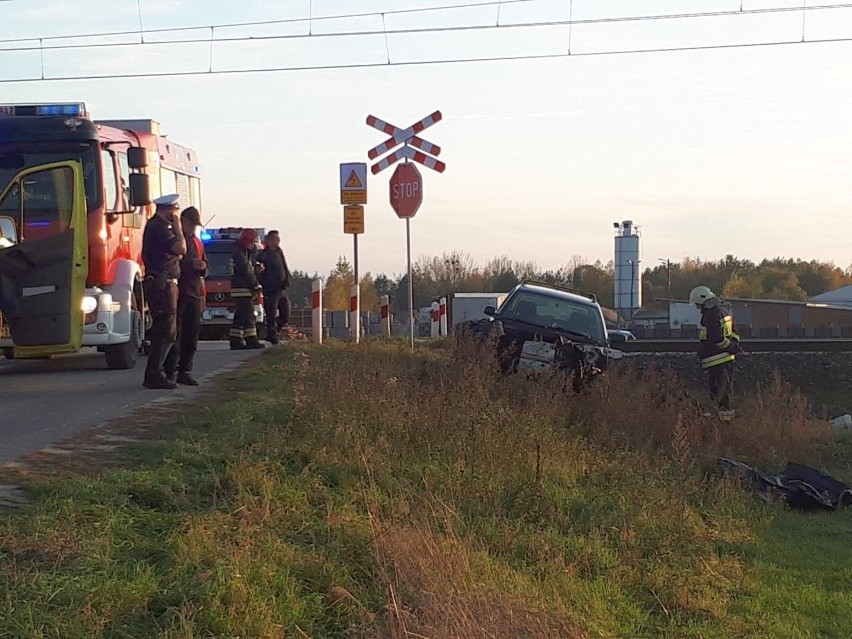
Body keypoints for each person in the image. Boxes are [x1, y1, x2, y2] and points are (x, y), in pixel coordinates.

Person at [141, 194, 186, 389]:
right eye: (175, 212)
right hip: (162, 284)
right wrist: (179, 230)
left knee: (169, 330)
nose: (175, 216)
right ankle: (153, 375)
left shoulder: (157, 227)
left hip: (166, 282)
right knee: (164, 330)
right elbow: (181, 248)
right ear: (169, 210)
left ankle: (157, 373)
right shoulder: (159, 228)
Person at [163, 206, 207, 386]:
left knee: (191, 335)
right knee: (175, 334)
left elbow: (206, 263)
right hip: (179, 291)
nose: (193, 228)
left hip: (195, 292)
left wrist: (203, 267)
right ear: (183, 222)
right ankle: (170, 370)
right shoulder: (174, 239)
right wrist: (191, 264)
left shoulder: (197, 242)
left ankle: (185, 370)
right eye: (191, 224)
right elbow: (173, 264)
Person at [690, 285, 741, 422]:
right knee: (725, 392)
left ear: (703, 302)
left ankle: (724, 423)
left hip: (717, 361)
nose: (697, 308)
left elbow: (716, 338)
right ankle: (725, 420)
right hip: (727, 359)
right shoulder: (724, 312)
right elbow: (734, 334)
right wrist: (733, 347)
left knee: (719, 394)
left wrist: (728, 347)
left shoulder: (710, 316)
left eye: (697, 305)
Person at [229, 228, 265, 350]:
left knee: (239, 316)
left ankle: (235, 340)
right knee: (249, 316)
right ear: (248, 242)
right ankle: (251, 340)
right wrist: (256, 285)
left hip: (238, 288)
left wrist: (256, 268)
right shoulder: (241, 254)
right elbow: (247, 272)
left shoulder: (240, 252)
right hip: (243, 289)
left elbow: (246, 269)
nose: (254, 246)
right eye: (253, 243)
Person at [256, 230, 292, 345]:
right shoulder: (263, 256)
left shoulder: (279, 251)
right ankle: (273, 336)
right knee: (271, 314)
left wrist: (287, 279)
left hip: (281, 288)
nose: (278, 241)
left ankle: (272, 333)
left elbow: (284, 266)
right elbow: (258, 272)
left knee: (285, 313)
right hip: (271, 289)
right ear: (270, 240)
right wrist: (266, 283)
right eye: (276, 239)